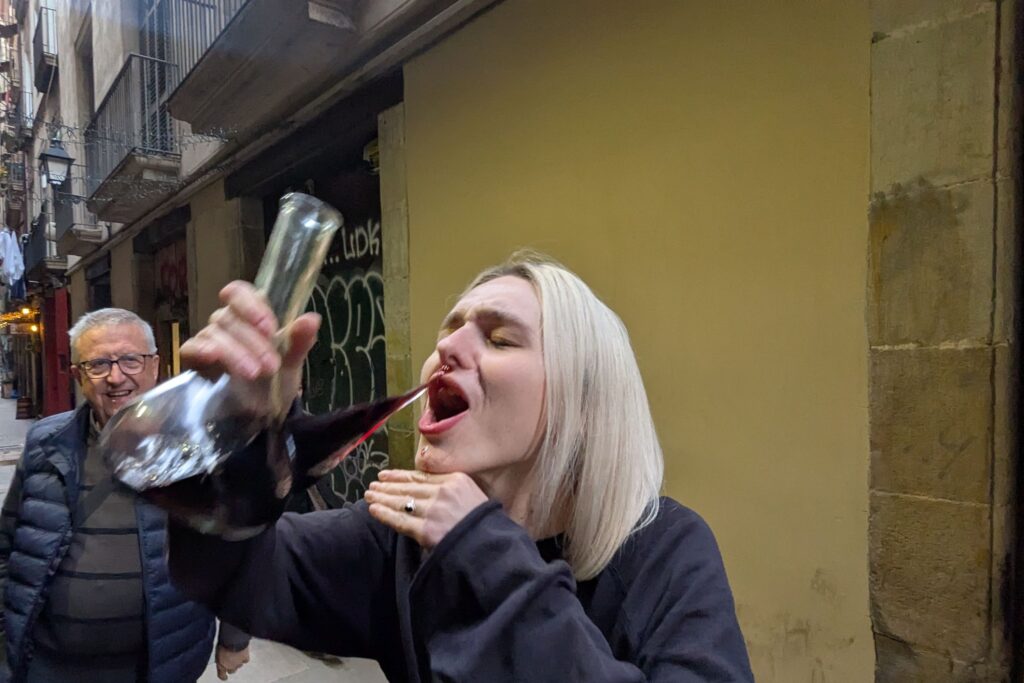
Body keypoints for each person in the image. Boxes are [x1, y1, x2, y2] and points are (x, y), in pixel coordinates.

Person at [170, 252, 754, 681]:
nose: (447, 348)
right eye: (450, 328)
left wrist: (486, 555)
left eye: (500, 340)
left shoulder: (667, 550)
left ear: (581, 400)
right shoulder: (398, 539)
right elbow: (234, 578)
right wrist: (237, 446)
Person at [0, 309, 251, 682]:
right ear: (78, 376)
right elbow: (8, 539)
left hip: (159, 662)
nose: (116, 377)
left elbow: (235, 545)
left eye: (130, 360)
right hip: (47, 664)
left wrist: (235, 635)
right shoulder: (46, 442)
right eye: (98, 364)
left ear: (155, 366)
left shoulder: (199, 447)